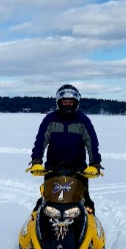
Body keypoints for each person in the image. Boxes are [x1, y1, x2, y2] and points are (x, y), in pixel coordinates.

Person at [29, 84, 102, 213]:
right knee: (46, 201)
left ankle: (90, 228)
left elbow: (92, 142)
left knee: (85, 203)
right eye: (65, 102)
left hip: (78, 170)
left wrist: (95, 163)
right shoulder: (50, 120)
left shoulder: (83, 121)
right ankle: (36, 225)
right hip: (53, 169)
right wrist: (36, 161)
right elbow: (41, 140)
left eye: (70, 102)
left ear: (76, 102)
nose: (68, 104)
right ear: (59, 102)